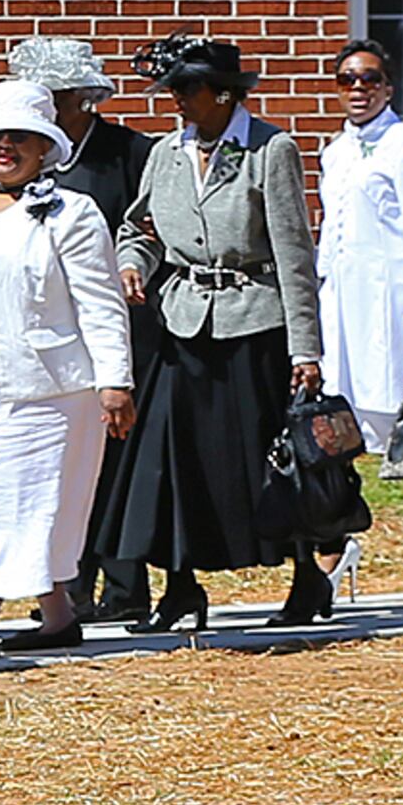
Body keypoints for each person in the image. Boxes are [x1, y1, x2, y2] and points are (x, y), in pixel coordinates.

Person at [103, 38, 331, 630]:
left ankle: (308, 576)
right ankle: (180, 588)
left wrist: (305, 347)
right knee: (172, 459)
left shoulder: (269, 150)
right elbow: (141, 229)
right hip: (183, 322)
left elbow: (293, 252)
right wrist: (133, 263)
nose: (175, 102)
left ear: (223, 94)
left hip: (255, 322)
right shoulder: (166, 153)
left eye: (186, 90)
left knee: (270, 459)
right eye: (171, 90)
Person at [0, 80, 135, 659]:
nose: (6, 146)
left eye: (20, 138)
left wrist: (115, 381)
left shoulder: (71, 212)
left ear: (45, 147)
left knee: (24, 506)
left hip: (49, 392)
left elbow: (101, 300)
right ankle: (58, 615)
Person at [14, 37, 165, 626]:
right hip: (54, 332)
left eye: (52, 96)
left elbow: (152, 227)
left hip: (122, 325)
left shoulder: (131, 152)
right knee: (65, 460)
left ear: (82, 98)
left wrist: (134, 266)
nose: (43, 107)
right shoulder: (33, 157)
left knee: (118, 456)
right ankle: (67, 586)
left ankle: (126, 585)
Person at [311, 39, 403, 592]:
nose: (358, 89)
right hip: (342, 302)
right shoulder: (336, 150)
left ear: (388, 87)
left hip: (393, 306)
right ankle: (336, 538)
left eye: (369, 79)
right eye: (347, 79)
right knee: (333, 428)